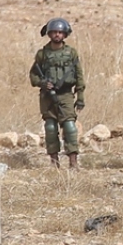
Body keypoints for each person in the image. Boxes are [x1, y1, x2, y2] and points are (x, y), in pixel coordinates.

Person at [29, 18, 85, 169]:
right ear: (49, 34)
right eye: (54, 32)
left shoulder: (71, 53)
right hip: (47, 97)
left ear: (65, 34)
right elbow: (33, 76)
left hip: (66, 95)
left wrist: (80, 97)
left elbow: (79, 76)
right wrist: (42, 83)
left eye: (60, 32)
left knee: (70, 127)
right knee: (51, 128)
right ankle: (54, 163)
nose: (57, 35)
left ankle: (73, 162)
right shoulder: (42, 54)